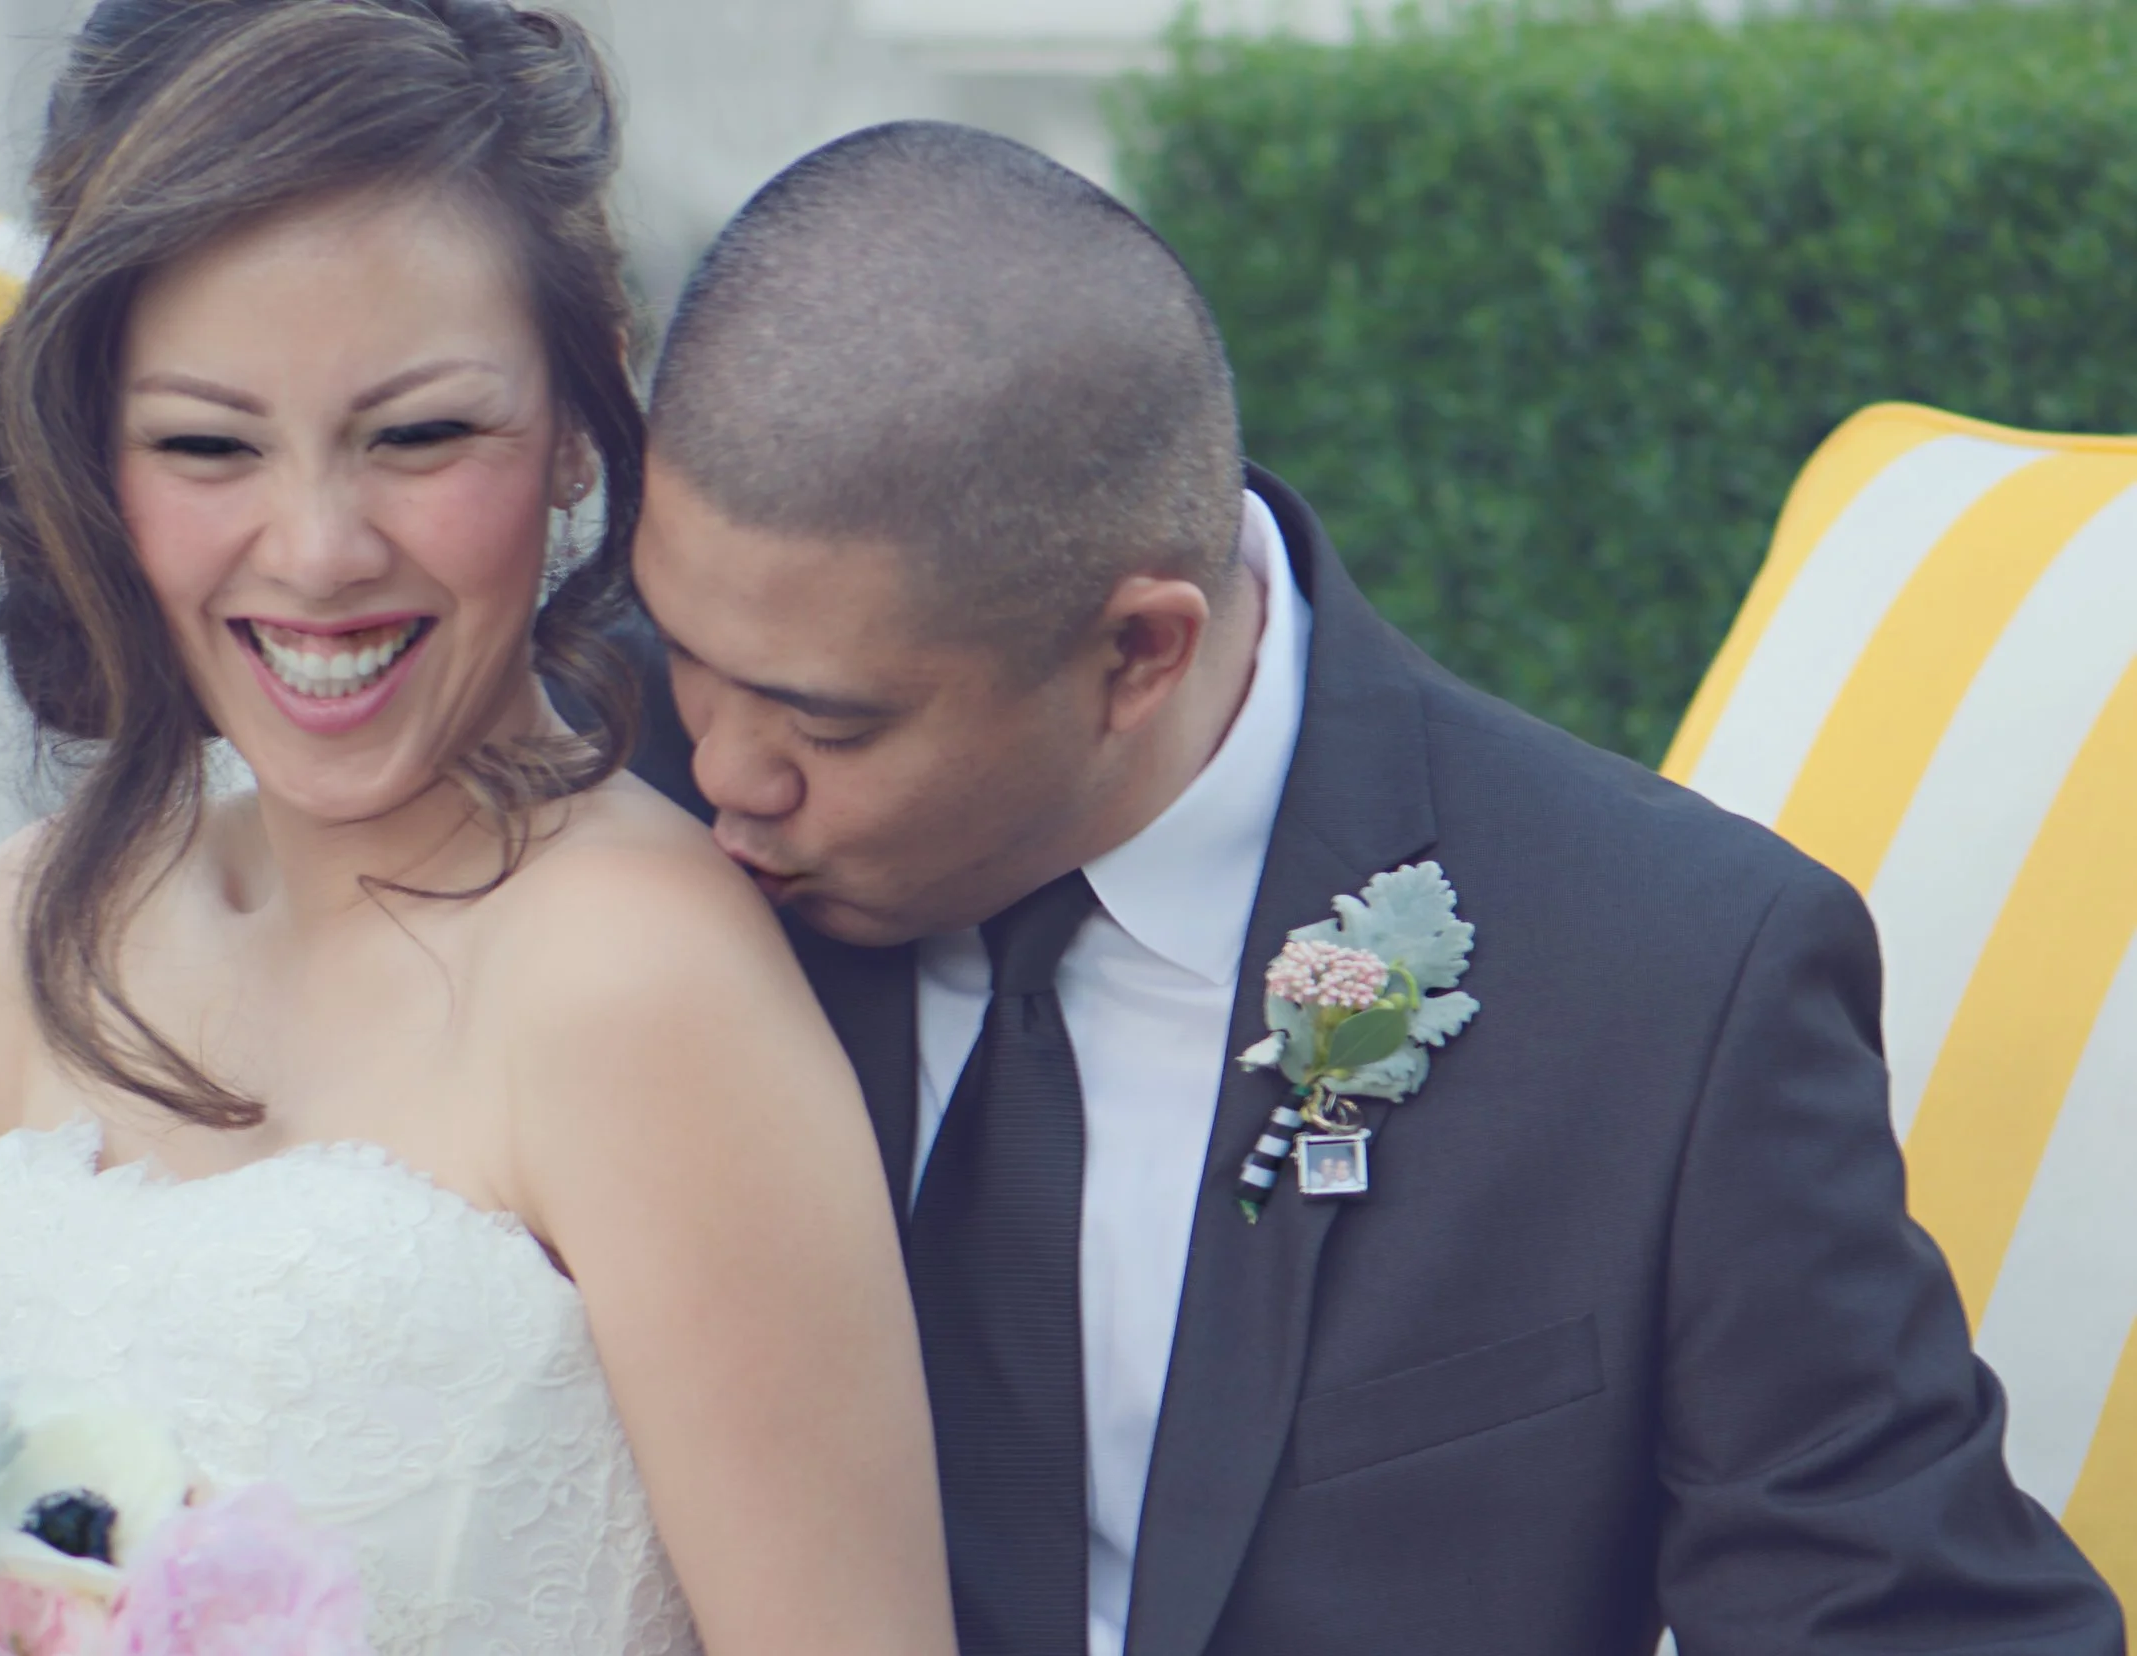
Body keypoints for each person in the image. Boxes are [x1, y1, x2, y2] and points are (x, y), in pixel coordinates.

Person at [627, 121, 2126, 1655]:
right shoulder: (600, 801)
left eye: (829, 722)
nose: (727, 770)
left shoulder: (1666, 990)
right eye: (681, 647)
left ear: (1140, 652)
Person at [0, 8, 958, 1655]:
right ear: (94, 451)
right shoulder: (19, 932)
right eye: (207, 445)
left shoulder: (639, 981)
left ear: (581, 411)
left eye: (422, 435)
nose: (314, 553)